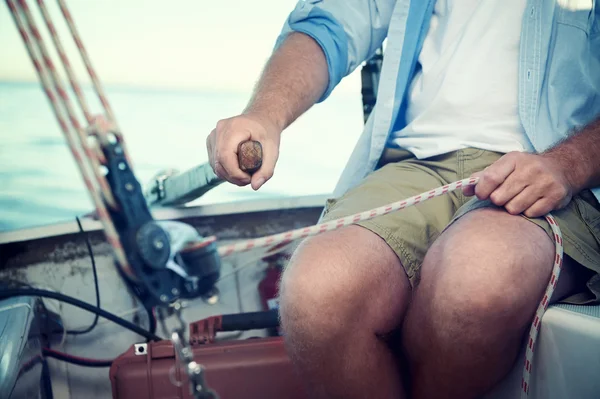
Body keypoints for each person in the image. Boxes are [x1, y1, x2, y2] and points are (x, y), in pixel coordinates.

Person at [206, 1, 600, 398]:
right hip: (415, 164)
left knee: (477, 279)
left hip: (557, 169)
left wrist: (571, 163)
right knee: (316, 293)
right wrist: (264, 115)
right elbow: (331, 23)